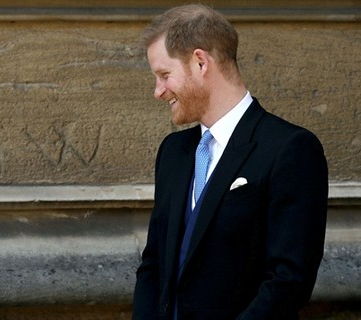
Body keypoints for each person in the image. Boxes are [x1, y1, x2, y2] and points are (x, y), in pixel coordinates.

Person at [132, 4, 328, 319]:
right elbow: (154, 262)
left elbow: (289, 280)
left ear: (200, 62)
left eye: (164, 75)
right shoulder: (173, 152)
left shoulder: (290, 149)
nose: (158, 91)